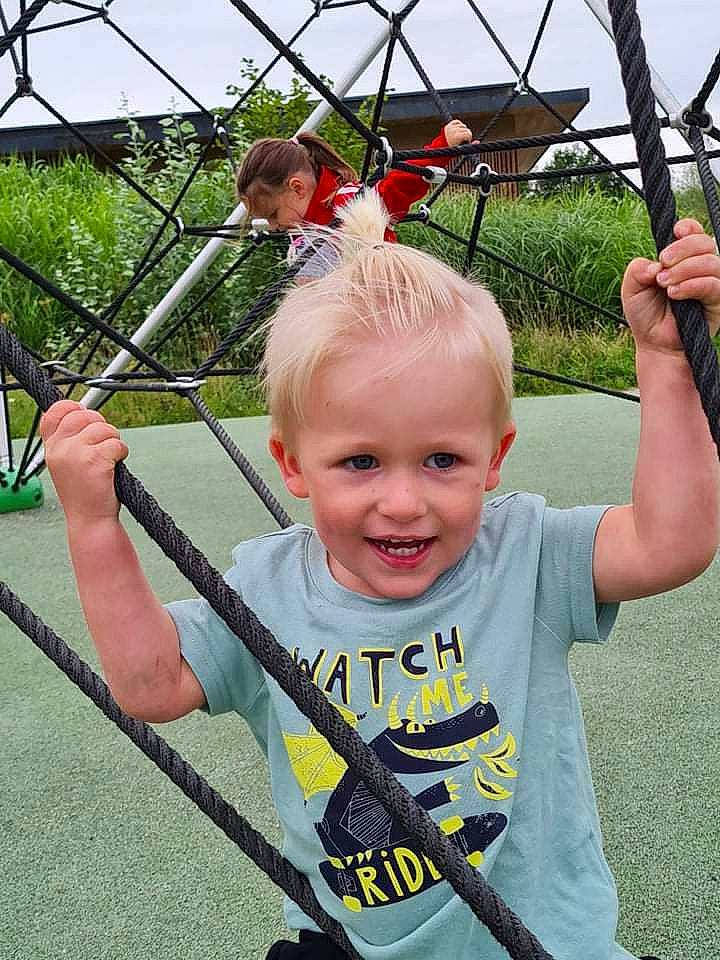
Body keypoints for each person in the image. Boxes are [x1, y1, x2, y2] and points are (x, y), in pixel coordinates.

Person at [40, 192, 720, 960]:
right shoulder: (269, 589)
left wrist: (668, 366)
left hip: (540, 944)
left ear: (493, 458)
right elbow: (152, 685)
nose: (403, 503)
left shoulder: (523, 553)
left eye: (443, 460)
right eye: (360, 461)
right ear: (295, 464)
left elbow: (672, 543)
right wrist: (95, 526)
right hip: (348, 945)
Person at [235, 119, 472, 277]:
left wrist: (443, 147)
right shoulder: (303, 228)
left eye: (273, 215)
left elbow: (399, 184)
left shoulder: (349, 205)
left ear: (297, 188)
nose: (273, 226)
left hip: (392, 310)